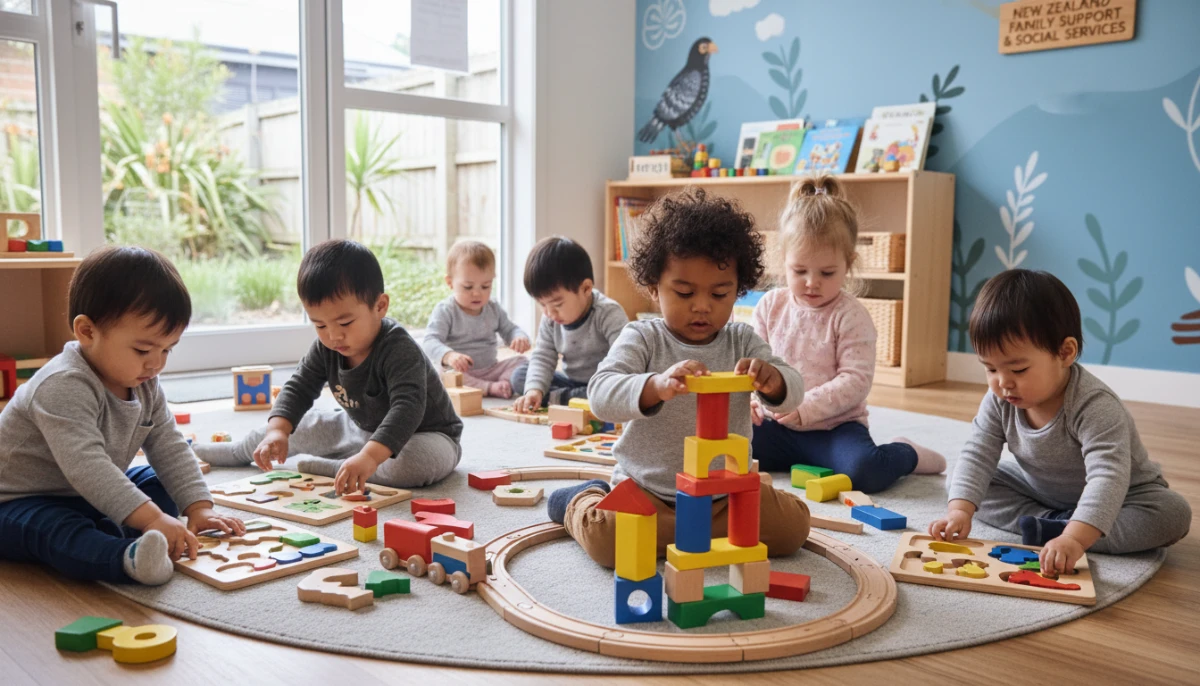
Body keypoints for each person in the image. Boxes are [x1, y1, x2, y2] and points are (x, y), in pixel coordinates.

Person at [548, 187, 811, 567]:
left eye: (721, 294)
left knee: (792, 529)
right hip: (650, 492)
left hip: (724, 498)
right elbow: (601, 393)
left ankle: (711, 525)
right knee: (609, 542)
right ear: (655, 287)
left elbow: (794, 391)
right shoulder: (643, 337)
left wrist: (775, 381)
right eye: (685, 292)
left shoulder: (741, 339)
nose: (702, 306)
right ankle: (581, 499)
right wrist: (654, 386)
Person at [0, 246, 244, 585]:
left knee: (163, 483)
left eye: (166, 349)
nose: (156, 363)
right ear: (87, 332)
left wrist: (198, 507)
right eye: (143, 350)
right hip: (23, 501)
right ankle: (124, 558)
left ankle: (110, 525)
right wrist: (150, 518)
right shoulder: (62, 385)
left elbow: (169, 444)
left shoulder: (144, 381)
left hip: (89, 494)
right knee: (56, 530)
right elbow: (88, 467)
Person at [930, 270, 1191, 576]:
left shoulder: (1094, 405)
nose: (1002, 383)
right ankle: (1052, 521)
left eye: (1019, 369)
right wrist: (959, 511)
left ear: (1065, 353)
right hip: (1044, 493)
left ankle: (1066, 529)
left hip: (1125, 496)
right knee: (962, 484)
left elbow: (1108, 477)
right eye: (990, 369)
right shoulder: (999, 398)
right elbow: (978, 452)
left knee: (1173, 514)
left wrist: (1074, 539)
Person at [196, 239, 462, 494]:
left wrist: (370, 457)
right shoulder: (327, 347)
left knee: (413, 465)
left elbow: (408, 408)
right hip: (360, 429)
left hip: (426, 436)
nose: (333, 336)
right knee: (301, 427)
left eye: (345, 323)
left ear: (379, 306)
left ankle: (338, 467)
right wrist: (277, 430)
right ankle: (237, 451)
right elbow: (299, 387)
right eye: (320, 325)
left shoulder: (399, 348)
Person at [750, 174, 944, 492]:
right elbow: (753, 363)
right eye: (799, 271)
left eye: (827, 273)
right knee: (724, 448)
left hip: (834, 428)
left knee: (865, 471)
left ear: (848, 263)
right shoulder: (771, 305)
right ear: (783, 260)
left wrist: (804, 406)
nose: (812, 282)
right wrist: (753, 400)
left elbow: (855, 381)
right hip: (777, 426)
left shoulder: (851, 315)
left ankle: (905, 451)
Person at [511, 236, 629, 411]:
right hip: (570, 381)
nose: (549, 313)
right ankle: (565, 398)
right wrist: (534, 390)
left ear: (586, 289)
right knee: (520, 376)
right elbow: (543, 356)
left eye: (557, 304)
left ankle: (560, 398)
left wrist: (608, 385)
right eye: (542, 304)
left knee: (621, 389)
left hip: (603, 381)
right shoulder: (550, 318)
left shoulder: (608, 313)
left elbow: (625, 356)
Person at [421, 240, 531, 399]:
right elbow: (430, 341)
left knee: (522, 362)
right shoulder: (446, 310)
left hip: (491, 369)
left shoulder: (493, 308)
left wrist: (519, 337)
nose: (477, 293)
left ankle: (501, 384)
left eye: (485, 286)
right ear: (450, 283)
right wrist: (449, 356)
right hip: (461, 372)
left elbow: (510, 329)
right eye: (468, 287)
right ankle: (490, 388)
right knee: (440, 373)